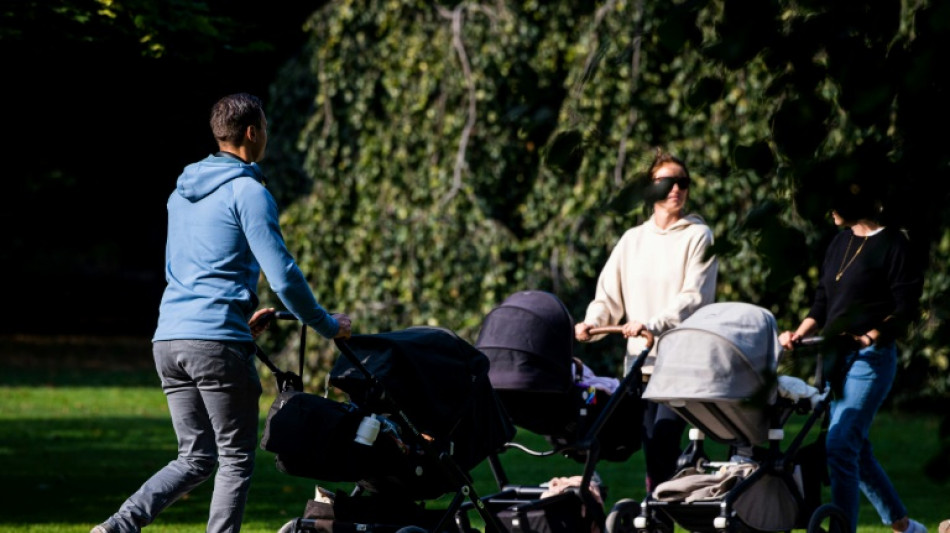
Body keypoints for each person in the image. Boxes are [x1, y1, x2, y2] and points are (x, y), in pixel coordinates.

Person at [92, 93, 352, 533]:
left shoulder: (181, 192)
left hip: (169, 338)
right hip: (215, 344)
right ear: (253, 132)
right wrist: (327, 325)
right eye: (264, 129)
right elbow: (284, 278)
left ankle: (115, 528)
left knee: (194, 458)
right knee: (234, 459)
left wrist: (238, 322)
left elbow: (190, 269)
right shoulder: (249, 192)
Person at [778, 179, 924, 533]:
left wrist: (868, 337)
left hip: (870, 360)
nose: (828, 210)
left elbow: (905, 309)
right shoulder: (839, 242)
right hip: (833, 358)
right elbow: (822, 302)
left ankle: (841, 530)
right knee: (855, 448)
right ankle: (905, 526)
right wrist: (799, 333)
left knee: (840, 444)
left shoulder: (895, 244)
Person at [574, 149, 718, 493]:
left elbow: (693, 298)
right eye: (667, 182)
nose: (676, 189)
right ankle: (664, 505)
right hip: (640, 365)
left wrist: (651, 324)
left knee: (662, 442)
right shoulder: (632, 240)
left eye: (683, 183)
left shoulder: (698, 236)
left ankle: (659, 514)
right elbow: (608, 297)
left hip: (681, 364)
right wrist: (591, 323)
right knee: (650, 445)